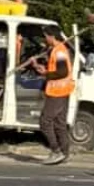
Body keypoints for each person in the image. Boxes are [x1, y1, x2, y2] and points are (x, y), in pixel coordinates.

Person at [30, 25, 73, 165]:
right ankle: (64, 153)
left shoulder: (59, 51)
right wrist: (41, 69)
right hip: (63, 90)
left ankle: (56, 151)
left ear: (51, 36)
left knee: (45, 121)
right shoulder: (57, 50)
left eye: (46, 36)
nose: (45, 38)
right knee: (60, 124)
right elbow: (58, 71)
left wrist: (45, 74)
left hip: (57, 92)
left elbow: (62, 72)